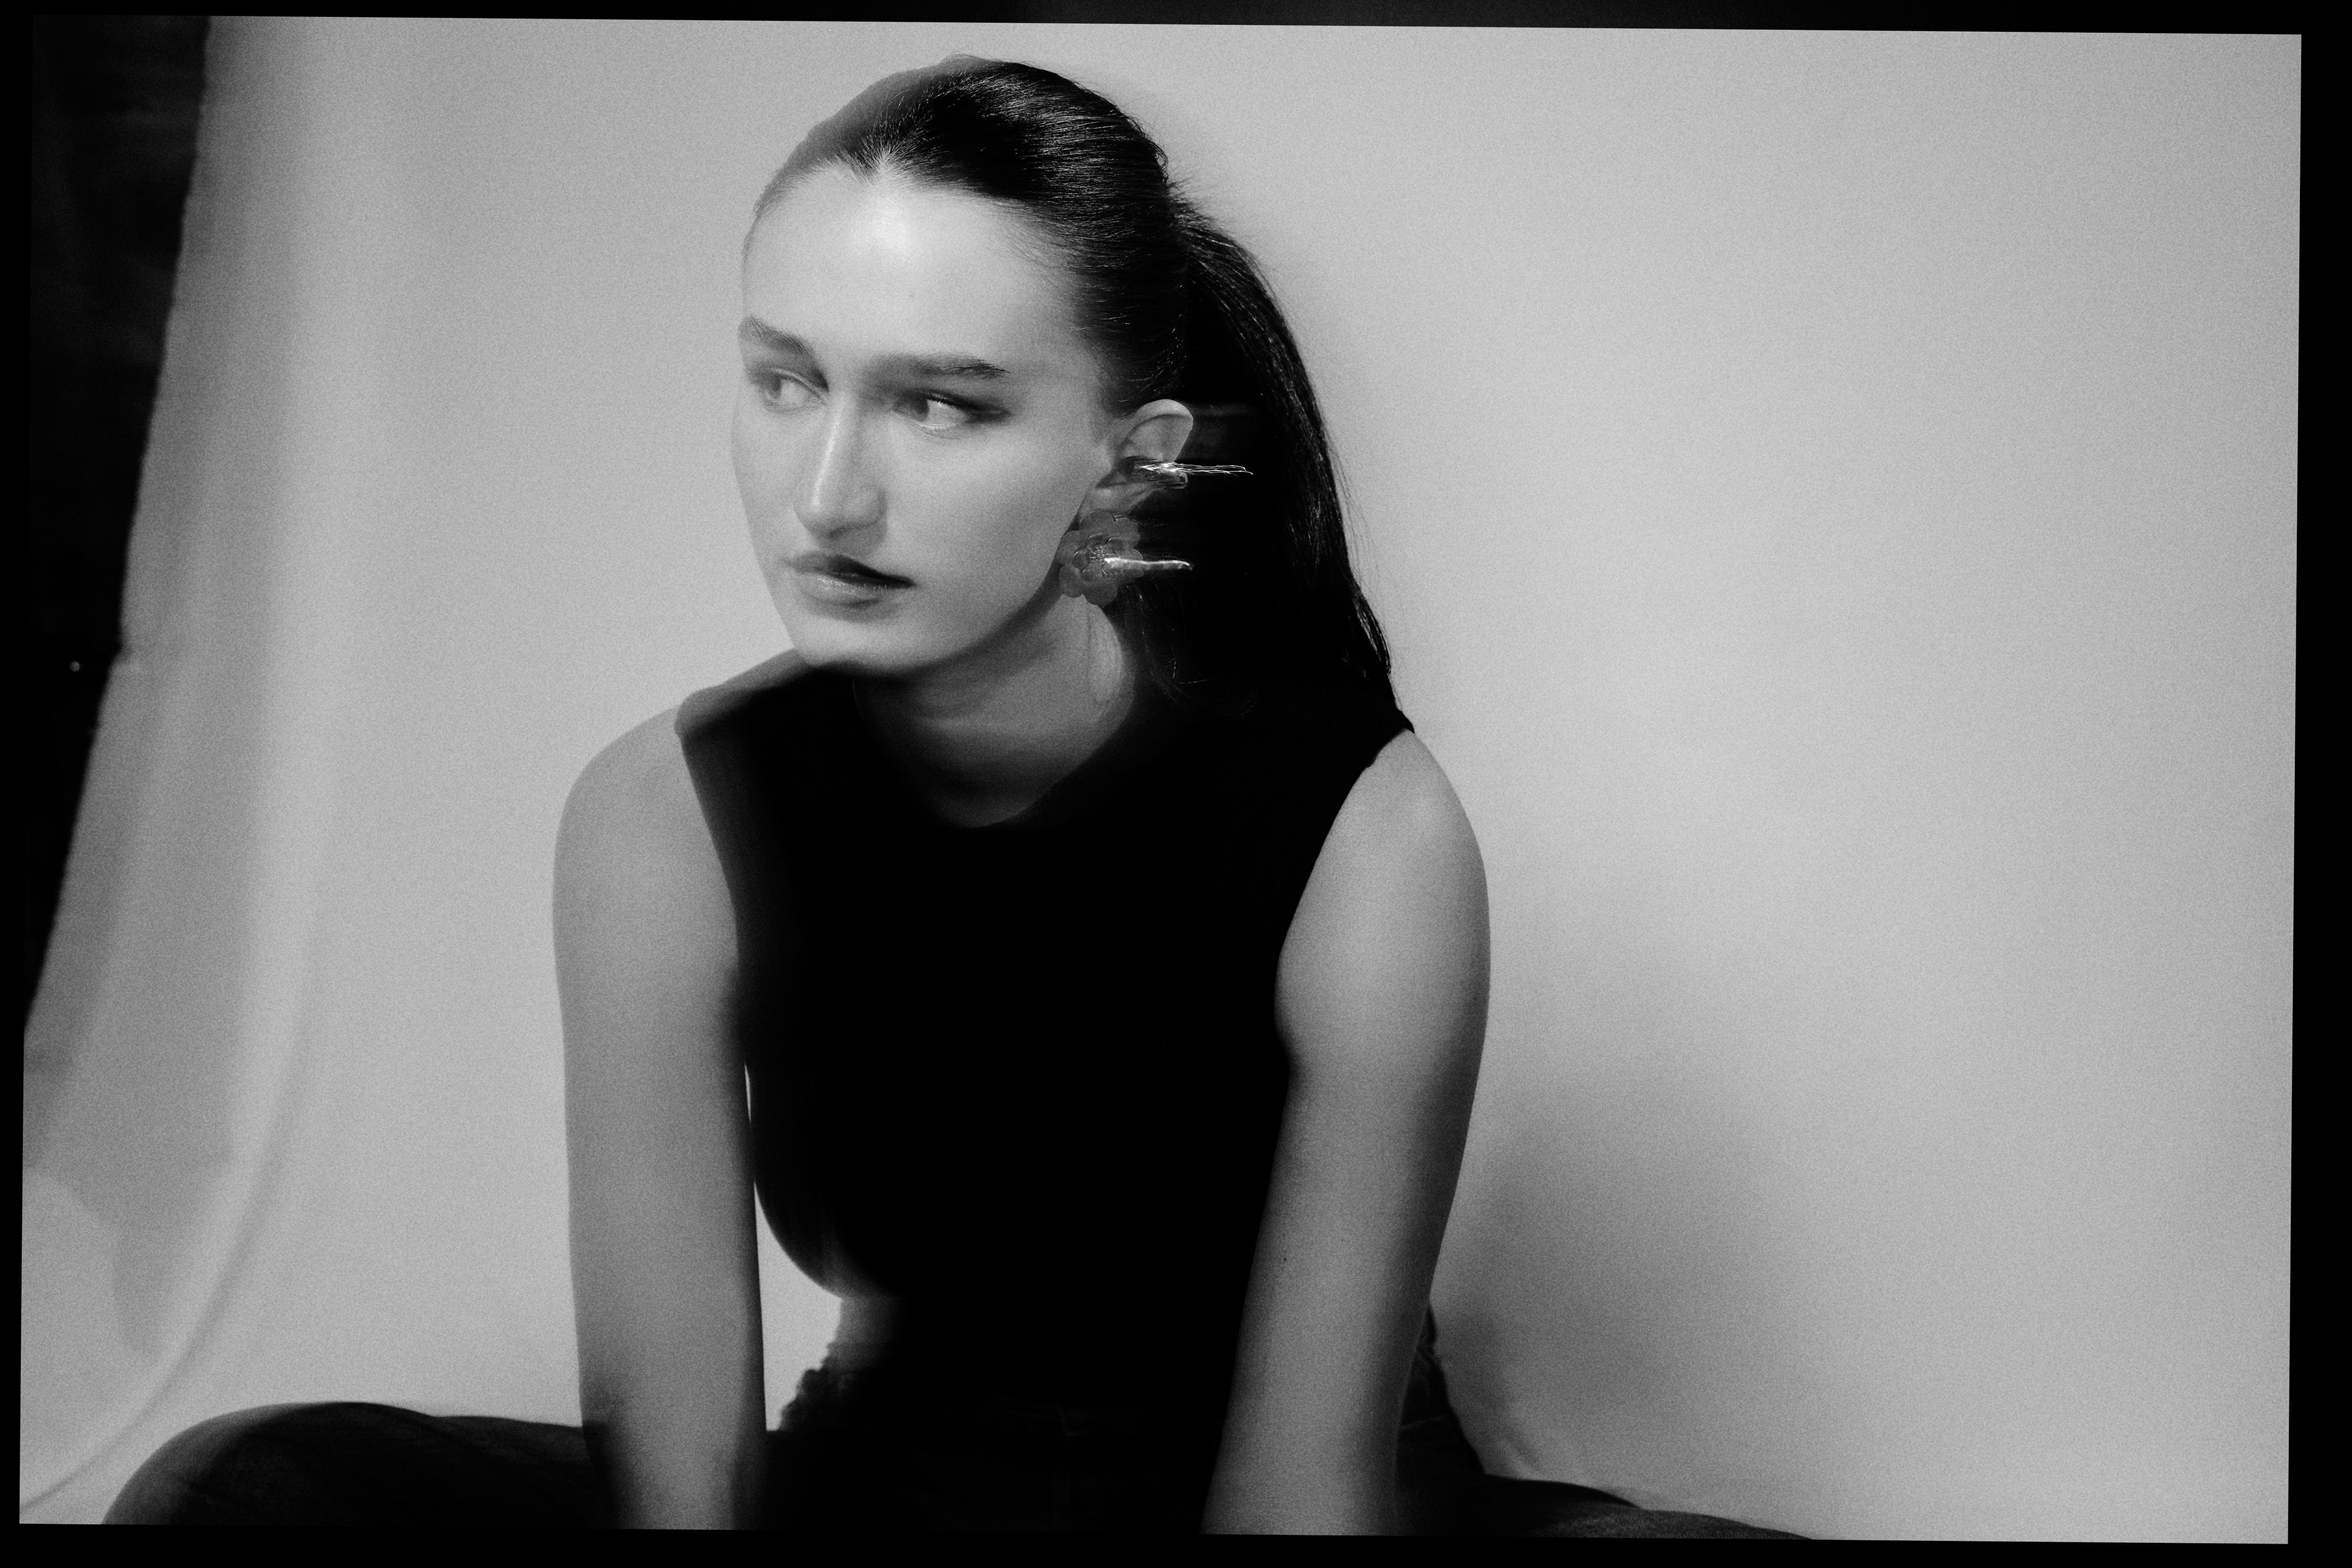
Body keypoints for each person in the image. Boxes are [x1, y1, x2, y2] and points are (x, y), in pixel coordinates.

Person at [109, 58, 1793, 1536]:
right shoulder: (664, 815)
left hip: (1287, 1510)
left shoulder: (1361, 827)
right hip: (883, 1496)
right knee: (257, 1491)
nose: (828, 494)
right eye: (786, 380)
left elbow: (1303, 1494)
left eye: (938, 404)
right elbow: (678, 1487)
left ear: (1129, 462)